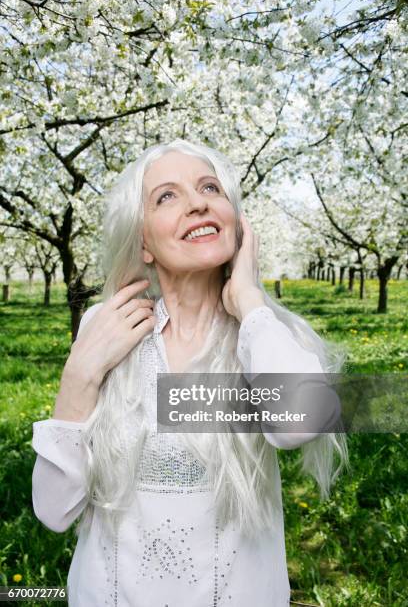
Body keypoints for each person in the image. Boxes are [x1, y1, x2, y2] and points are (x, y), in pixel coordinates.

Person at [31, 139, 348, 607]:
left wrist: (248, 299)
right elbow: (55, 511)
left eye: (209, 188)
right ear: (143, 242)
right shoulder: (108, 329)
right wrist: (79, 375)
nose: (198, 202)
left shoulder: (264, 336)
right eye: (167, 196)